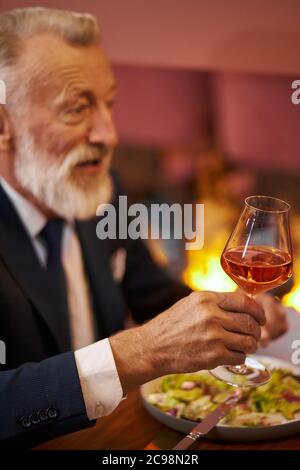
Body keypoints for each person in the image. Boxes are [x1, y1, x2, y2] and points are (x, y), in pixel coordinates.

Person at [0, 7, 288, 449]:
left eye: (109, 103)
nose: (109, 134)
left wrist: (222, 316)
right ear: (4, 124)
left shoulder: (96, 185)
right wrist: (140, 352)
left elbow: (152, 291)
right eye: (77, 109)